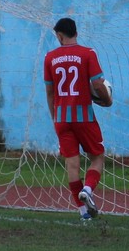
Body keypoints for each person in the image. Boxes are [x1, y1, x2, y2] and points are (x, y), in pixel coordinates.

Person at [43, 17, 112, 221]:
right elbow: (98, 85)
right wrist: (107, 101)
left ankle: (84, 213)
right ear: (76, 33)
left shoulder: (50, 57)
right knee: (97, 157)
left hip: (62, 119)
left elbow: (49, 92)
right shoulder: (87, 53)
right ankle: (88, 190)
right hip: (84, 117)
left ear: (60, 36)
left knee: (72, 165)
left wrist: (55, 118)